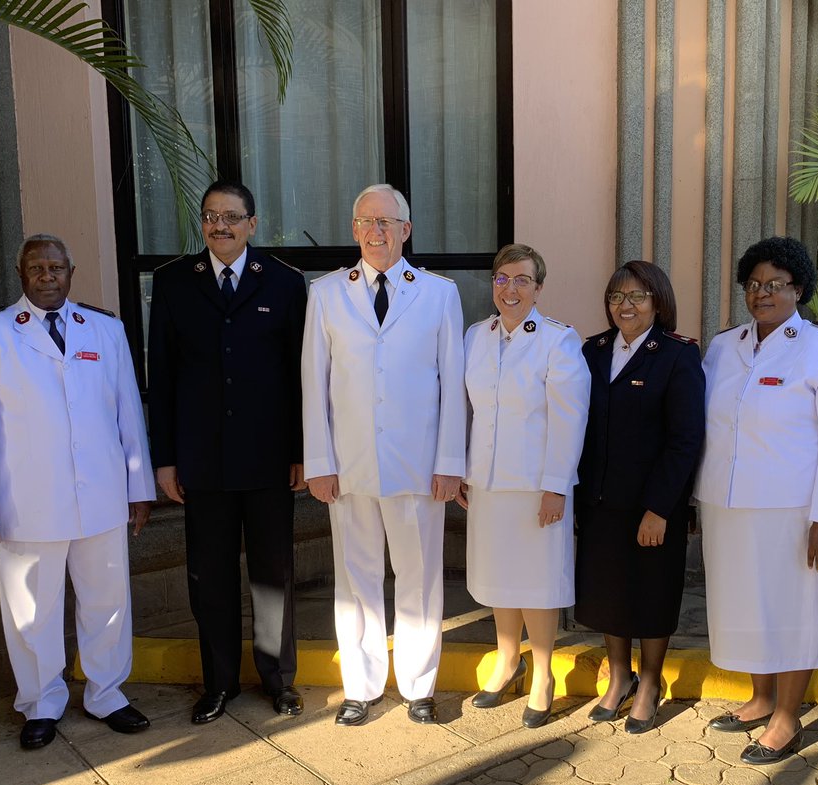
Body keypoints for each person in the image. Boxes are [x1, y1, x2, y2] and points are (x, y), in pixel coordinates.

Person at [0, 234, 155, 749]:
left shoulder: (106, 330)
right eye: (37, 268)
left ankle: (106, 693)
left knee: (107, 602)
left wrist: (139, 488)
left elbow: (128, 413)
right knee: (32, 611)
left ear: (72, 272)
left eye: (57, 268)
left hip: (103, 497)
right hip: (28, 503)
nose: (48, 277)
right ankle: (41, 703)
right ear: (21, 274)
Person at [694, 236, 818, 764]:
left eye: (775, 284)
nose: (762, 293)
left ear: (798, 289)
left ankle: (788, 719)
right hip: (729, 505)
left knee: (796, 609)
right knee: (747, 605)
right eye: (754, 284)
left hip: (796, 510)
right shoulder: (725, 346)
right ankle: (762, 697)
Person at [302, 183, 465, 727]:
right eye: (367, 222)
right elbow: (314, 385)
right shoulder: (326, 294)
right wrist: (319, 463)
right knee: (356, 580)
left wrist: (450, 462)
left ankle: (419, 686)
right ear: (354, 230)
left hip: (419, 465)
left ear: (406, 230)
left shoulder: (439, 294)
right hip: (348, 468)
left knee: (419, 578)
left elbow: (452, 381)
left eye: (387, 223)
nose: (376, 232)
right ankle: (362, 686)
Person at [147, 180, 308, 725]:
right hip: (203, 463)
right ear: (202, 223)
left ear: (252, 224)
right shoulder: (172, 283)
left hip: (268, 461)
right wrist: (165, 459)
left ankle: (277, 680)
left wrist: (302, 452)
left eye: (232, 217)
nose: (221, 225)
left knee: (272, 576)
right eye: (211, 216)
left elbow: (299, 377)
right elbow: (162, 378)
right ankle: (218, 684)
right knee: (209, 578)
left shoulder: (284, 283)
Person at [458, 244, 590, 728]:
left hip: (538, 485)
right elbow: (463, 410)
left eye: (521, 280)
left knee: (536, 583)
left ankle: (542, 674)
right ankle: (507, 660)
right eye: (501, 279)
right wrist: (460, 470)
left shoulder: (558, 341)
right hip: (488, 482)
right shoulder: (476, 336)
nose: (509, 289)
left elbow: (569, 419)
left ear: (538, 288)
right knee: (500, 577)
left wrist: (557, 485)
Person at [574, 261, 705, 734]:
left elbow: (685, 439)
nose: (624, 306)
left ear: (658, 302)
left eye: (636, 296)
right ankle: (620, 677)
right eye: (616, 296)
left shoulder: (676, 355)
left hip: (652, 504)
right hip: (600, 499)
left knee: (651, 591)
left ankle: (650, 681)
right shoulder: (592, 350)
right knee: (609, 589)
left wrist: (661, 508)